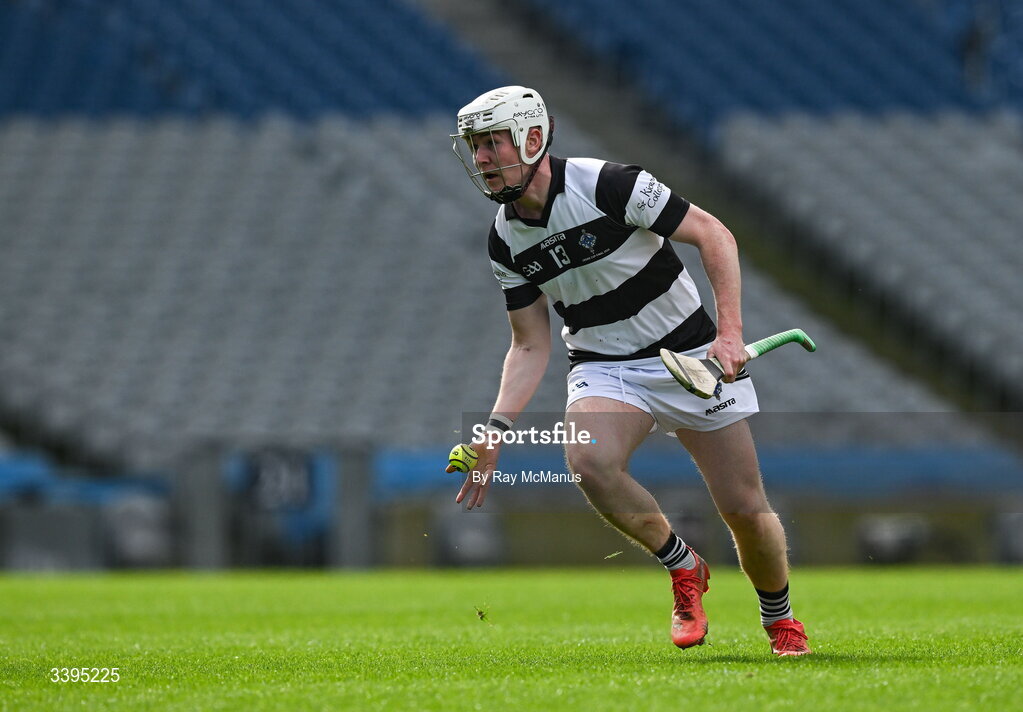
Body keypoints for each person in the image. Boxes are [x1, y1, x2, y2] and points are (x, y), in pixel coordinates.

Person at [446, 85, 810, 657]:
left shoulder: (610, 184)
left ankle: (780, 619)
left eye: (493, 143)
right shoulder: (504, 240)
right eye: (475, 147)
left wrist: (730, 333)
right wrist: (495, 429)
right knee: (588, 459)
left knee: (744, 508)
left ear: (533, 139)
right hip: (604, 364)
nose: (483, 159)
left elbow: (714, 234)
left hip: (693, 359)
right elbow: (529, 346)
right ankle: (683, 566)